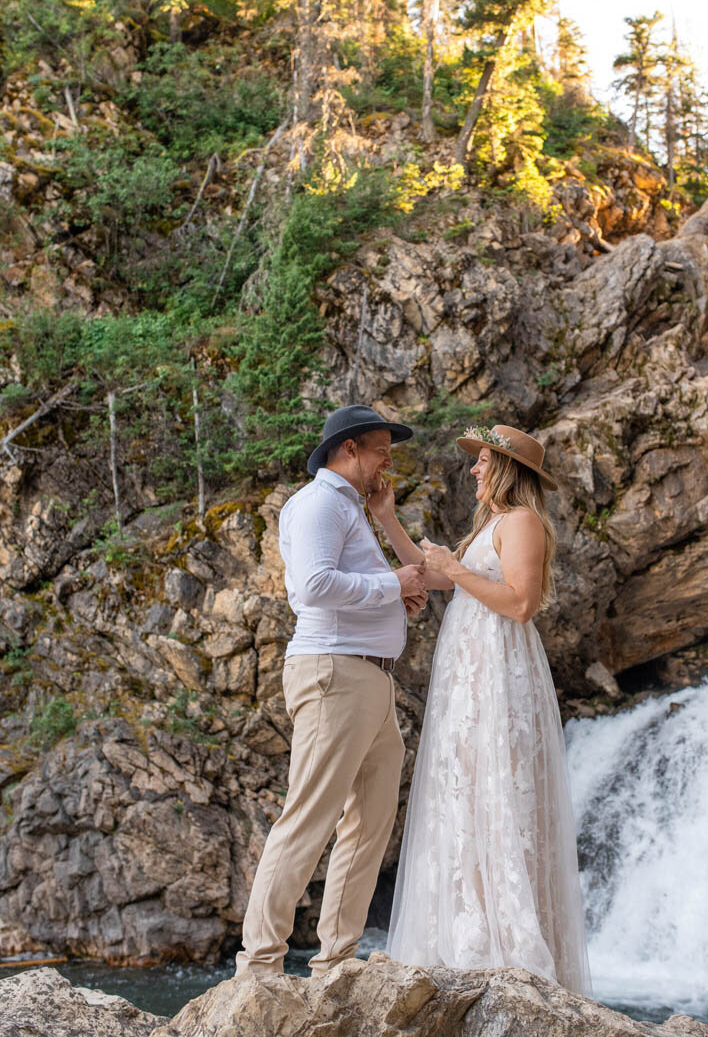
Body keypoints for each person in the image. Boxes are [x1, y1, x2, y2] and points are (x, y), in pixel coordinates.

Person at [370, 423, 591, 996]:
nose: (473, 469)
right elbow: (431, 574)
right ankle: (466, 928)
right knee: (463, 787)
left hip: (500, 670)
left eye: (484, 462)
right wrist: (388, 517)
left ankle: (503, 940)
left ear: (507, 471)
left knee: (498, 786)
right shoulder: (490, 525)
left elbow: (520, 604)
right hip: (469, 674)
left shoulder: (521, 523)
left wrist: (460, 568)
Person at [234, 405, 428, 980]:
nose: (388, 460)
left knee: (370, 822)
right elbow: (312, 587)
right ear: (348, 450)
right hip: (334, 674)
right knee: (309, 816)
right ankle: (260, 965)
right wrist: (392, 583)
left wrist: (395, 597)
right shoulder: (319, 502)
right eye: (380, 450)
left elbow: (350, 585)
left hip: (367, 679)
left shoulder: (350, 508)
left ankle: (336, 960)